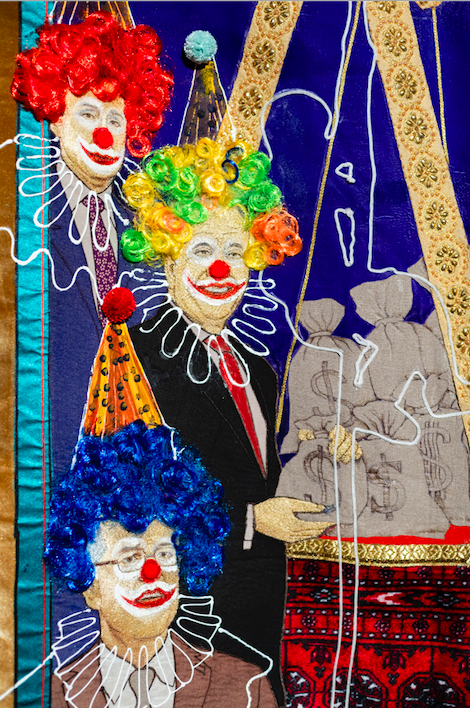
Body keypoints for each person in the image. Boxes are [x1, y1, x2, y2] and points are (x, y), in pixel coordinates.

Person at [122, 139, 332, 704]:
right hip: (186, 614)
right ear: (168, 254)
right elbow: (131, 495)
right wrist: (254, 520)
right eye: (202, 249)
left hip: (261, 611)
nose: (221, 269)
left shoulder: (258, 371)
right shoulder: (135, 354)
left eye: (236, 252)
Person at [11, 10, 174, 480]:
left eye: (115, 119)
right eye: (87, 113)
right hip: (47, 445)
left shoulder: (145, 217)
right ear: (56, 117)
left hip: (134, 450)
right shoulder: (27, 210)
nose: (104, 133)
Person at [46, 420, 277, 708]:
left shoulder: (246, 688)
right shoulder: (53, 696)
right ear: (91, 587)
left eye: (166, 554)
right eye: (130, 558)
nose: (152, 573)